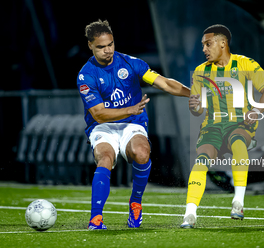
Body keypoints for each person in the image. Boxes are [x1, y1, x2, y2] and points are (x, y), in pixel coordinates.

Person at [77, 20, 190, 230]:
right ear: (90, 46)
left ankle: (136, 203)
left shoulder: (131, 63)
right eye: (101, 47)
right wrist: (130, 109)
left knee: (142, 152)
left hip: (132, 124)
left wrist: (193, 93)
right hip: (103, 126)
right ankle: (96, 218)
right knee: (105, 158)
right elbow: (99, 114)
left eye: (110, 44)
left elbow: (164, 83)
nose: (107, 50)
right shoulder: (86, 75)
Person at [181, 24, 264, 228]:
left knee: (238, 140)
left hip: (240, 123)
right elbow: (197, 110)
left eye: (208, 44)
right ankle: (190, 213)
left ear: (223, 43)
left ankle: (238, 202)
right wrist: (194, 107)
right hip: (212, 127)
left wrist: (257, 112)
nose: (204, 49)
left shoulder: (244, 63)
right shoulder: (200, 71)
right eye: (203, 45)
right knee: (201, 160)